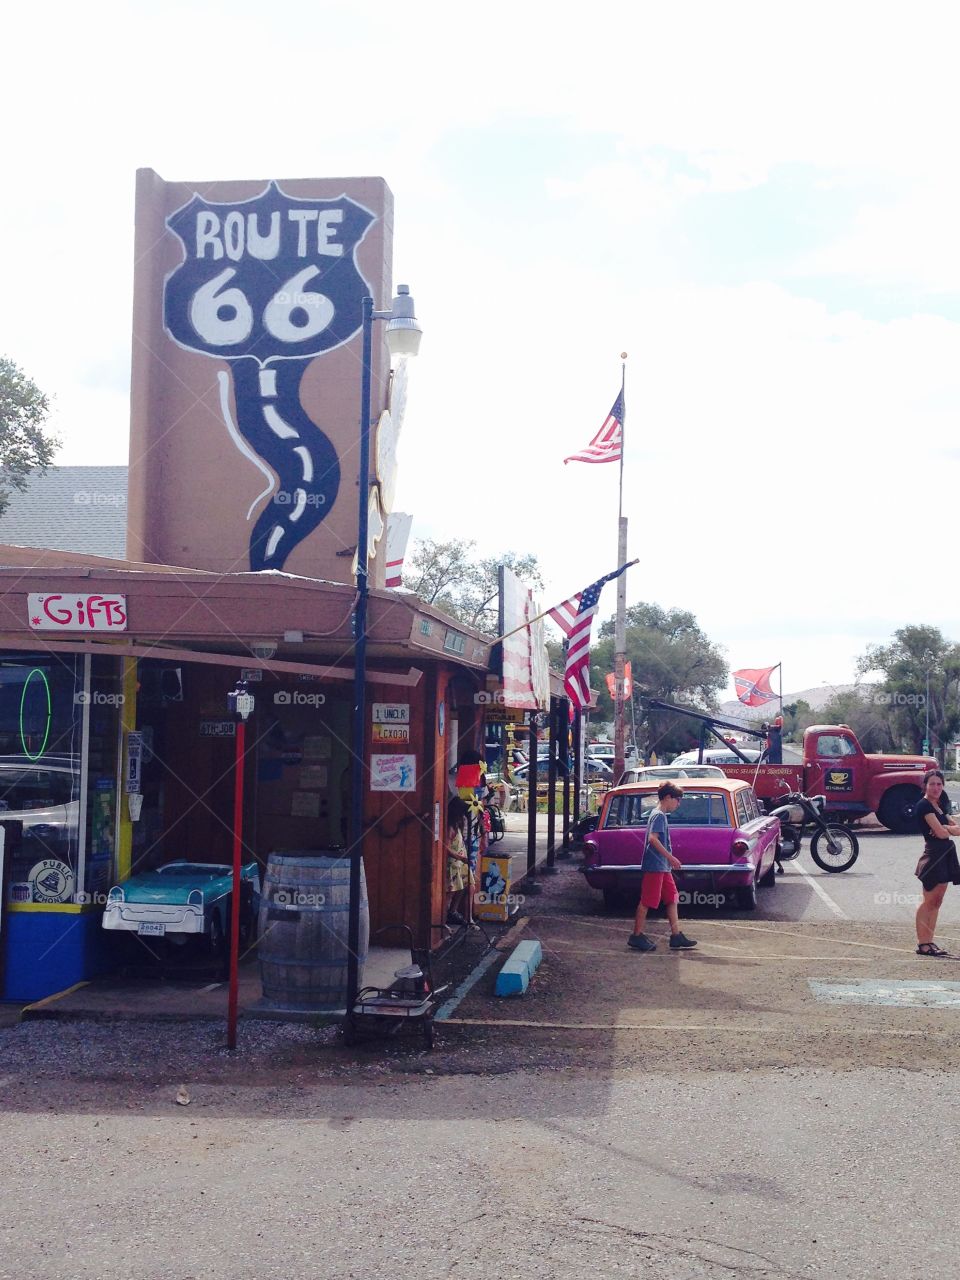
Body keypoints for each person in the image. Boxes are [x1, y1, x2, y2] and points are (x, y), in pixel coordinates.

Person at [628, 781, 697, 952]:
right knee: (648, 900)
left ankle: (676, 935)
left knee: (672, 897)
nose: (678, 803)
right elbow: (653, 838)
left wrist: (667, 861)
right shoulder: (658, 815)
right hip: (656, 865)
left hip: (662, 866)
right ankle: (636, 935)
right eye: (677, 799)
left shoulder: (659, 814)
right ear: (668, 797)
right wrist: (671, 857)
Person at [914, 769, 960, 957]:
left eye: (939, 784)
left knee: (937, 901)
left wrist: (946, 828)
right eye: (932, 784)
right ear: (925, 785)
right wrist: (948, 829)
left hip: (946, 853)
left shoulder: (939, 804)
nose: (936, 787)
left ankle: (930, 941)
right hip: (933, 854)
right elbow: (940, 834)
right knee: (929, 900)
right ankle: (923, 943)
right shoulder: (924, 805)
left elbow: (953, 830)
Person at [445, 796, 471, 928]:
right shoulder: (450, 827)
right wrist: (460, 858)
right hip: (454, 864)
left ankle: (452, 911)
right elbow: (446, 847)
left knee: (463, 887)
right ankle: (444, 917)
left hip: (460, 863)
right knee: (451, 891)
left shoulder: (458, 824)